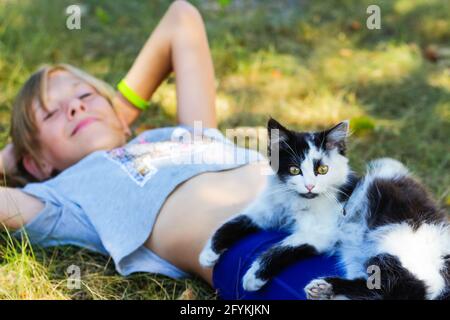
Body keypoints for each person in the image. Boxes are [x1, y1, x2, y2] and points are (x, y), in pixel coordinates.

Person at [0, 1, 343, 299]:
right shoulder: (64, 195)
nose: (74, 107)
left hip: (332, 206)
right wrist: (13, 158)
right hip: (256, 251)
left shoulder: (183, 134)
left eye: (84, 96)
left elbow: (182, 18)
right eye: (50, 113)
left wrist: (116, 114)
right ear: (38, 163)